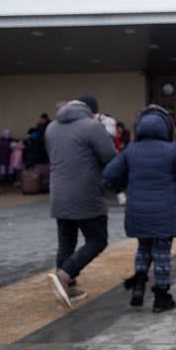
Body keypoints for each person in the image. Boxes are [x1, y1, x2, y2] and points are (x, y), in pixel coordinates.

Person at [103, 105, 176, 312]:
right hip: (165, 211)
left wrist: (127, 182)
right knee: (162, 253)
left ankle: (138, 286)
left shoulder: (131, 150)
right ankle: (161, 298)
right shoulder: (172, 150)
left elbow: (109, 173)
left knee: (143, 248)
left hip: (138, 210)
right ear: (166, 128)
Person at [45, 95, 117, 309]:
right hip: (86, 193)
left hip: (58, 193)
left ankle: (67, 287)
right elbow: (110, 157)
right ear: (93, 111)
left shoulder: (52, 127)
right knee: (97, 239)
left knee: (66, 241)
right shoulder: (92, 127)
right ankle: (64, 276)